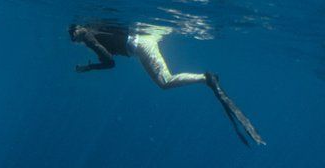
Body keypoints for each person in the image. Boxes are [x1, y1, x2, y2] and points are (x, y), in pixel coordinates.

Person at [69, 22, 265, 146]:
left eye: (76, 36)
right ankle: (212, 25)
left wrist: (89, 68)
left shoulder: (87, 37)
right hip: (146, 34)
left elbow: (110, 63)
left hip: (142, 46)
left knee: (165, 81)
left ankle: (206, 78)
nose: (77, 38)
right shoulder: (94, 25)